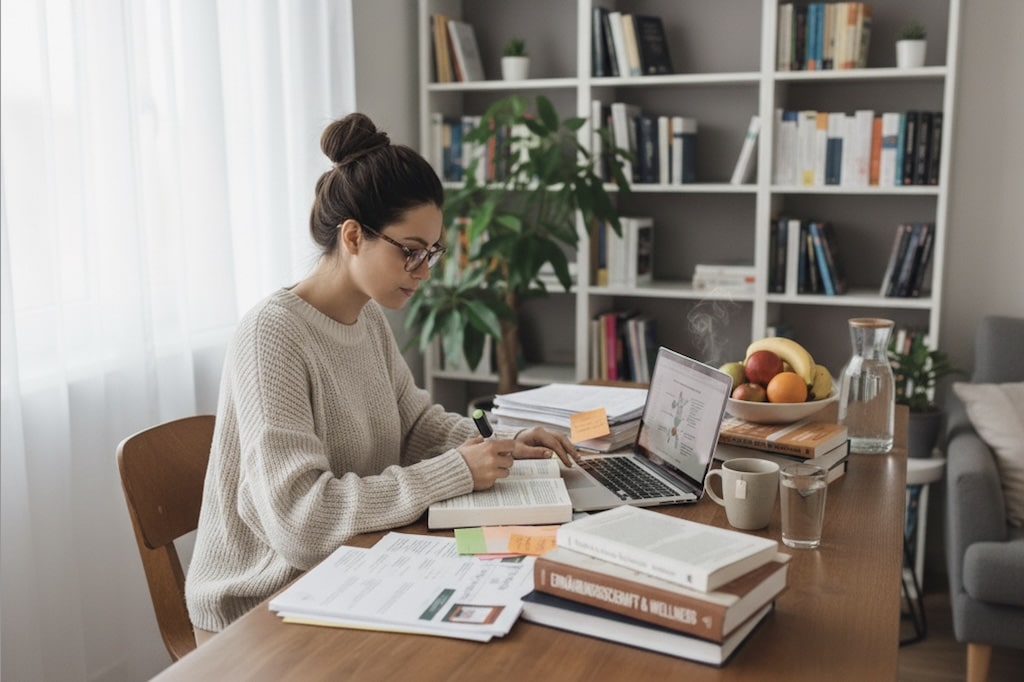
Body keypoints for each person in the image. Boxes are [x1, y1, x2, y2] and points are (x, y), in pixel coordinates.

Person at [184, 113, 578, 642]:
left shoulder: (366, 316)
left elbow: (414, 426)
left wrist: (496, 444)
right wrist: (457, 472)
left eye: (432, 252)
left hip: (349, 570)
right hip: (263, 604)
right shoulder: (270, 336)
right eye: (411, 251)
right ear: (352, 236)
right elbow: (303, 523)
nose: (425, 270)